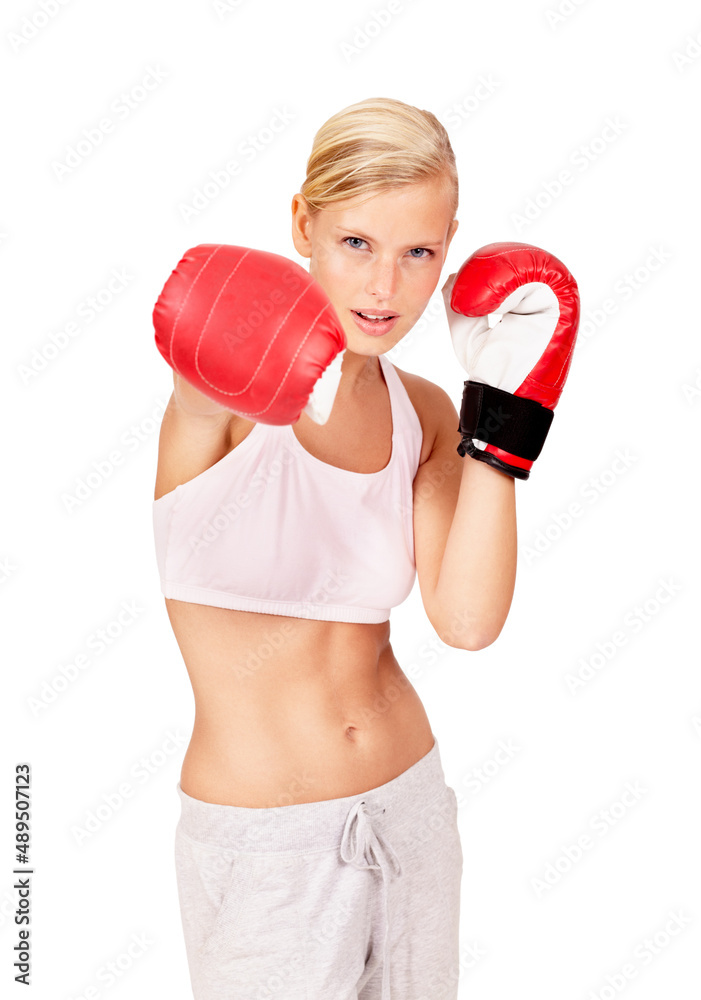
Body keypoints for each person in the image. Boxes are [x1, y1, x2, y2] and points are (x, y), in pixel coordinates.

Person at [151, 96, 578, 999]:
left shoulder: (419, 409)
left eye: (417, 253)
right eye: (356, 244)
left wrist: (502, 420)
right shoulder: (226, 387)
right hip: (265, 850)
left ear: (447, 248)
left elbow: (465, 621)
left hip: (407, 809)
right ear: (302, 224)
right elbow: (192, 383)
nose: (385, 288)